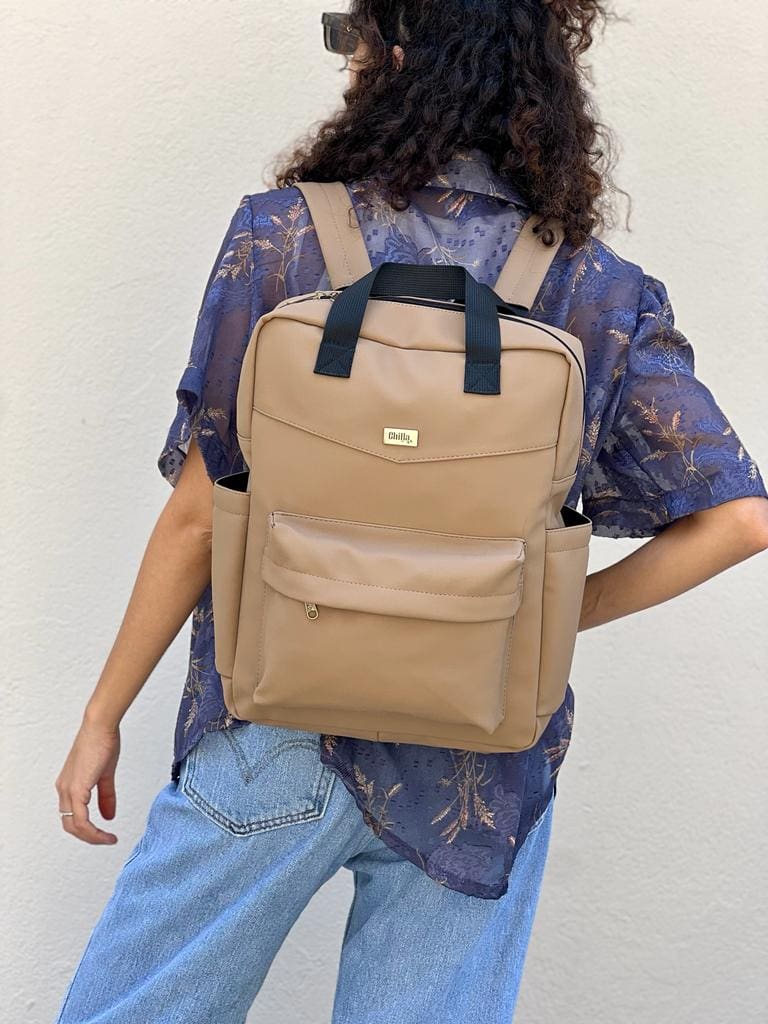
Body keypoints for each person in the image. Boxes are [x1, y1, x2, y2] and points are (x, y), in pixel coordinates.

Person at [53, 3, 768, 1022]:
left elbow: (200, 518)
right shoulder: (595, 289)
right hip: (479, 764)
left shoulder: (282, 238)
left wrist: (102, 716)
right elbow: (739, 519)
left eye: (351, 33)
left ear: (394, 58)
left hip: (276, 720)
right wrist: (550, 611)